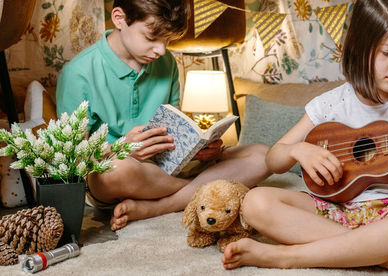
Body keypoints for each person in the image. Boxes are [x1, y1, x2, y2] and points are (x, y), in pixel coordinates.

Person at [221, 0, 388, 275]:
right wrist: (299, 151)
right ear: (360, 49)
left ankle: (287, 256)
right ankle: (380, 257)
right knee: (255, 202)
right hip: (333, 208)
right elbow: (273, 159)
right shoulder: (331, 103)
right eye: (387, 52)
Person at [56, 0, 270, 231]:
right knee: (116, 171)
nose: (161, 50)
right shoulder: (78, 73)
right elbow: (72, 161)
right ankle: (205, 186)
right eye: (151, 38)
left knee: (264, 155)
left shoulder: (166, 63)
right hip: (122, 174)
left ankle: (164, 205)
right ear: (119, 19)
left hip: (166, 169)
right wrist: (121, 147)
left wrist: (199, 149)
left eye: (168, 40)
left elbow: (175, 128)